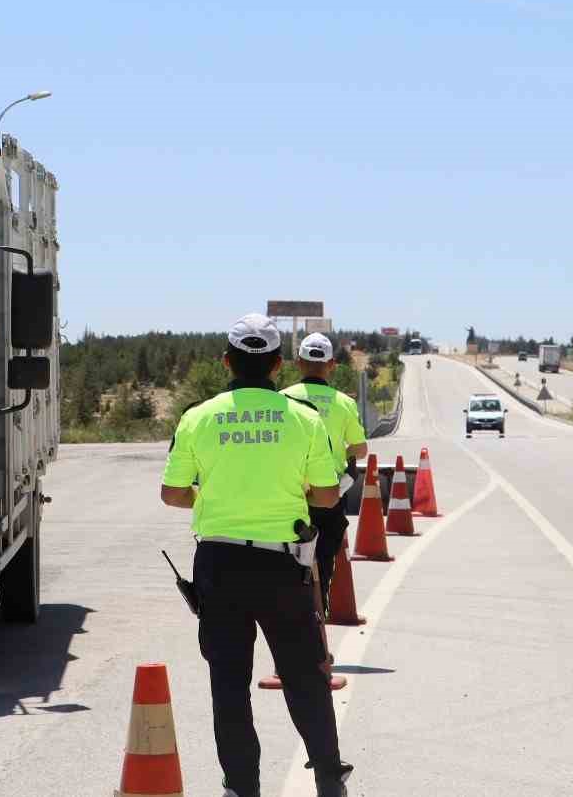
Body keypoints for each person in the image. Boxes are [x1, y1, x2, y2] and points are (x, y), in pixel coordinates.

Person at [161, 314, 352, 797]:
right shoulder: (304, 418)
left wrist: (210, 497)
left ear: (226, 361)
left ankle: (242, 787)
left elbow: (172, 493)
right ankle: (329, 779)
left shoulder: (197, 417)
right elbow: (328, 495)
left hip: (219, 566)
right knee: (305, 677)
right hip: (283, 566)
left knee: (229, 684)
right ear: (277, 364)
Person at [281, 333, 368, 615]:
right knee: (323, 563)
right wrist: (342, 455)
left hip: (289, 495)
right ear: (331, 365)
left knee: (286, 566)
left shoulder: (282, 399)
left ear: (298, 363)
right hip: (329, 495)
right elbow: (360, 449)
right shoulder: (344, 403)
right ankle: (320, 612)